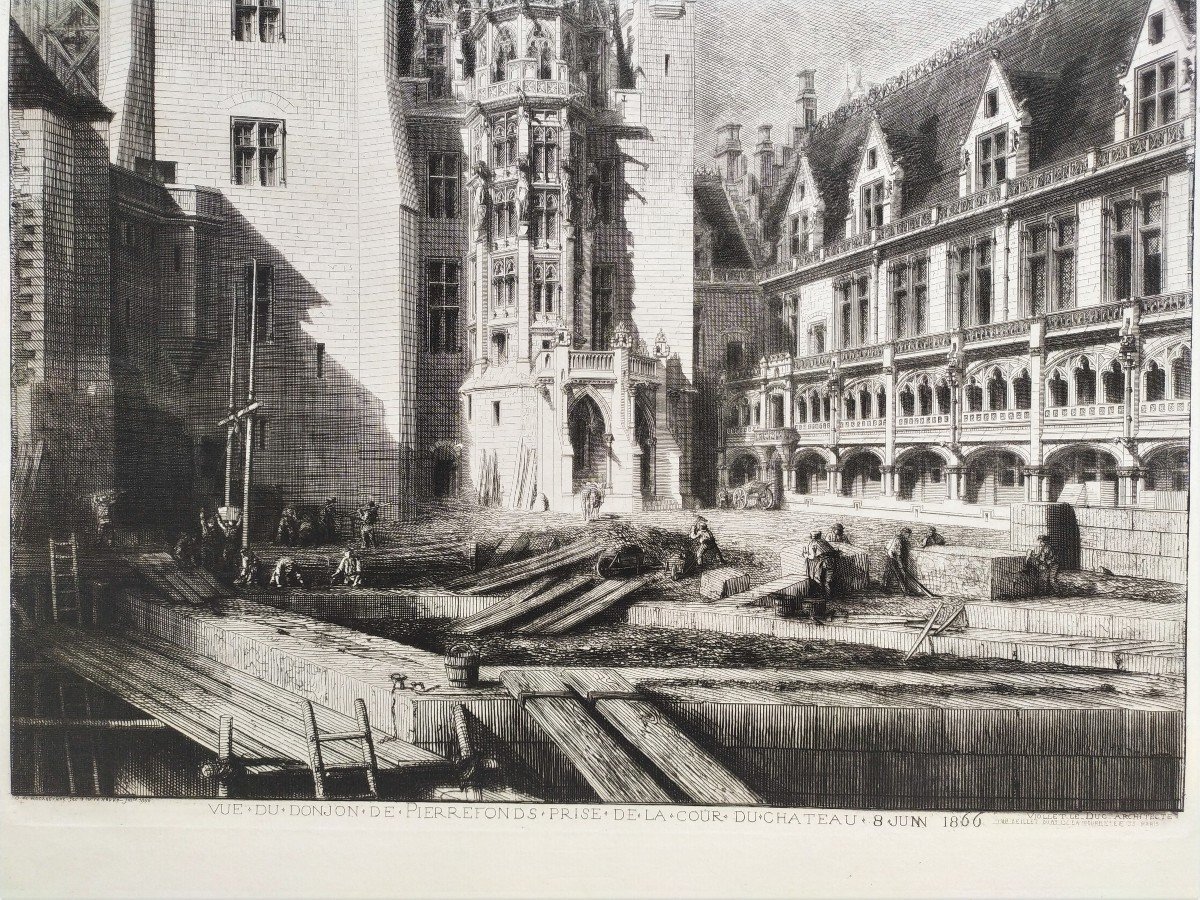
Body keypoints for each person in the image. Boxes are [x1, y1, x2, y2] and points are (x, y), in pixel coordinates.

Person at [806, 530, 839, 602]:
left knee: (817, 578)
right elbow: (833, 551)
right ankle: (829, 597)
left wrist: (806, 555)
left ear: (812, 537)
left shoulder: (813, 543)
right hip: (832, 562)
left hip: (823, 562)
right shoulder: (824, 542)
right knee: (828, 580)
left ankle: (822, 596)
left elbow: (813, 557)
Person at [884, 527, 916, 594]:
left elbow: (886, 548)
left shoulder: (897, 539)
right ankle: (905, 590)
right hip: (893, 558)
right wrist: (900, 564)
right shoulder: (899, 540)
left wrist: (889, 554)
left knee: (889, 574)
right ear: (904, 533)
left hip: (891, 557)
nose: (909, 536)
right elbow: (898, 553)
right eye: (908, 535)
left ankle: (884, 588)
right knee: (899, 574)